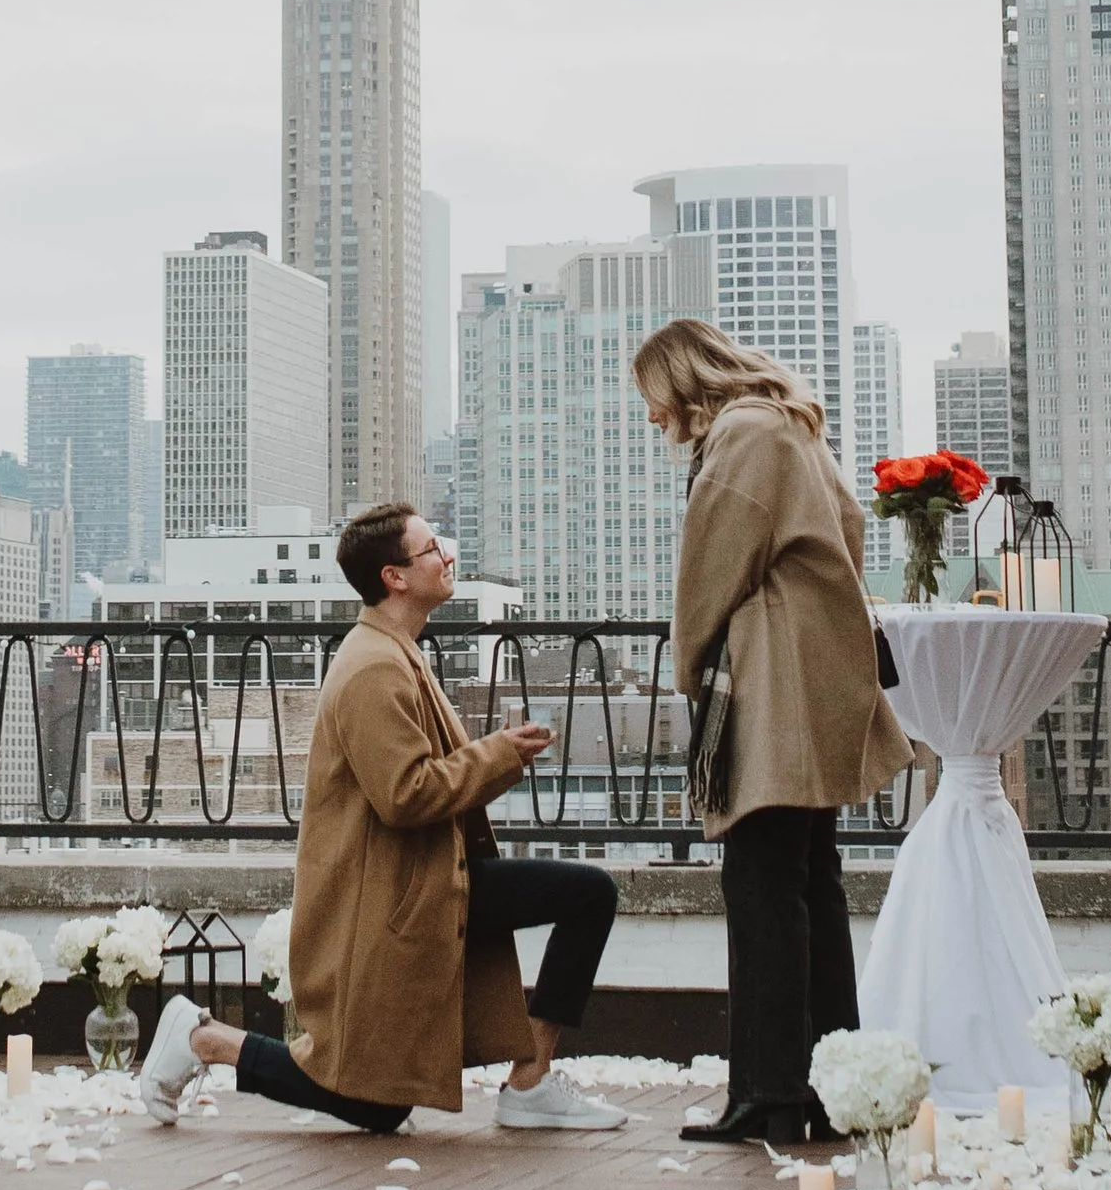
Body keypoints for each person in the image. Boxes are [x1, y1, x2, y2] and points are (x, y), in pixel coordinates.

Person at [136, 500, 626, 1133]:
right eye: (431, 550)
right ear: (395, 576)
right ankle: (205, 1040)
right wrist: (498, 755)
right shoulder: (373, 666)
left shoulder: (393, 650)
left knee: (586, 898)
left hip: (422, 882)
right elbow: (405, 794)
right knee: (376, 1102)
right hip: (402, 896)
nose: (446, 557)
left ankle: (528, 1083)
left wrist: (492, 755)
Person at [632, 317, 912, 1147]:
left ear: (683, 382)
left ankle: (767, 1090)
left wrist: (690, 667)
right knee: (808, 884)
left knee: (759, 887)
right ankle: (831, 1087)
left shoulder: (741, 437)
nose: (649, 418)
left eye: (651, 399)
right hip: (817, 673)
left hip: (772, 679)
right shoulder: (788, 425)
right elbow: (852, 533)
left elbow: (708, 570)